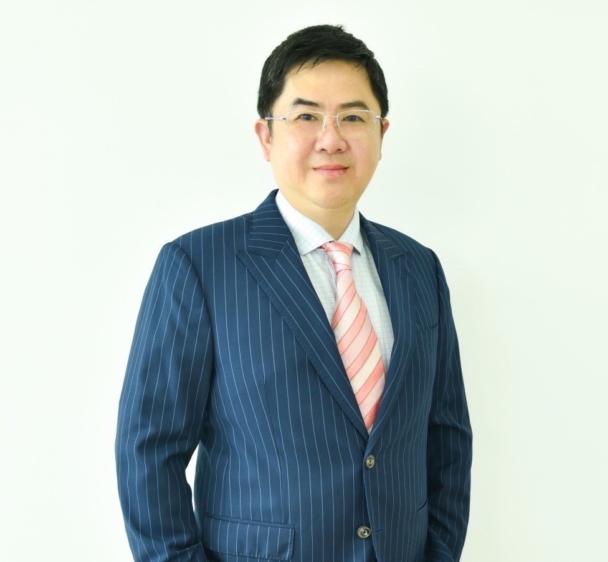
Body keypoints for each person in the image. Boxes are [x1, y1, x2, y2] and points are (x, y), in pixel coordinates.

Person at [116, 24, 472, 562]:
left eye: (354, 117)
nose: (331, 139)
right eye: (306, 117)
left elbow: (447, 441)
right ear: (266, 136)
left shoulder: (419, 268)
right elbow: (148, 452)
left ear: (382, 134)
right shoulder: (198, 265)